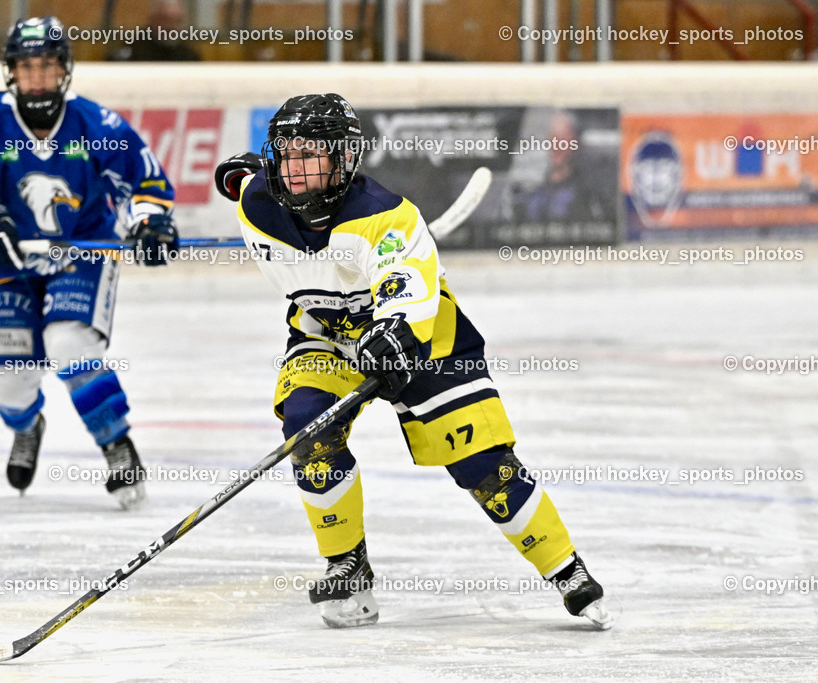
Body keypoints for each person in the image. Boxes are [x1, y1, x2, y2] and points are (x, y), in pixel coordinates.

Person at [214, 93, 613, 629]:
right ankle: (347, 568)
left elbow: (412, 296)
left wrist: (394, 332)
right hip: (327, 332)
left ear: (345, 159)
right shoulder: (259, 201)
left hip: (423, 339)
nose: (296, 169)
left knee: (481, 464)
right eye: (287, 155)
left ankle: (564, 568)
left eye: (312, 155)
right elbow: (245, 178)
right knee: (308, 429)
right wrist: (240, 173)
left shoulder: (387, 218)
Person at [0, 16, 177, 509]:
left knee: (69, 344)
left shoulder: (96, 124)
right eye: (26, 67)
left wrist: (148, 223)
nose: (36, 78)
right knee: (9, 382)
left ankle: (115, 442)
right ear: (11, 72)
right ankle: (28, 424)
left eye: (46, 66)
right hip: (10, 261)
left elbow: (147, 183)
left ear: (63, 71)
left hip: (79, 251)